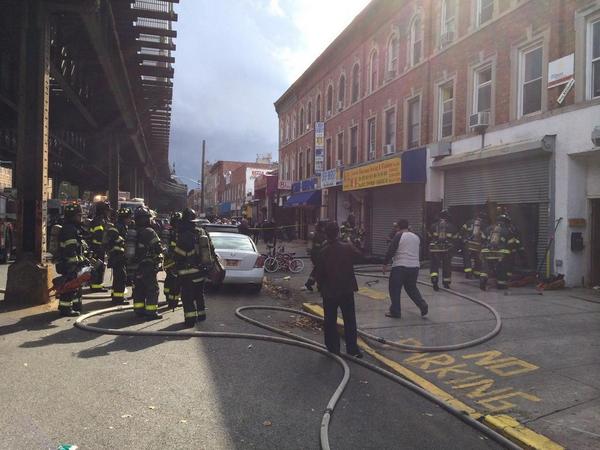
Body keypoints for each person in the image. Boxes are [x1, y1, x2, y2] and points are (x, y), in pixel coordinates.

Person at [314, 221, 370, 358]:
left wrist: (320, 286)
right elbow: (360, 257)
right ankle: (352, 349)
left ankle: (333, 348)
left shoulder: (323, 251)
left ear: (326, 234)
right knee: (349, 320)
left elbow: (319, 272)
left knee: (330, 320)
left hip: (329, 291)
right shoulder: (347, 247)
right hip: (346, 289)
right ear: (338, 232)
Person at [174, 208, 216, 327]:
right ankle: (201, 315)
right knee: (199, 295)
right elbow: (211, 249)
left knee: (187, 297)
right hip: (201, 271)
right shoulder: (202, 232)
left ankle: (190, 320)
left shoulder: (183, 236)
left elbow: (178, 255)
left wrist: (175, 265)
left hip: (187, 273)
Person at [382, 219, 428, 318]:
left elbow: (391, 250)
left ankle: (395, 311)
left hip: (400, 266)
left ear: (398, 227)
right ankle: (422, 305)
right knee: (411, 288)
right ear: (409, 226)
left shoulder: (398, 236)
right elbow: (423, 243)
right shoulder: (417, 236)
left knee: (394, 288)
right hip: (414, 266)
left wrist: (385, 264)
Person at [131, 206, 164, 319]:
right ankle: (151, 312)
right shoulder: (149, 231)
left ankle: (139, 310)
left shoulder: (132, 231)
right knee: (152, 289)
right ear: (145, 219)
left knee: (138, 288)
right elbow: (158, 248)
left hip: (135, 266)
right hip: (147, 265)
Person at [55, 203, 87, 316]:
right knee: (69, 286)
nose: (81, 218)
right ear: (73, 216)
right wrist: (75, 263)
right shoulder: (69, 229)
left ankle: (76, 305)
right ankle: (65, 309)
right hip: (69, 263)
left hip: (71, 262)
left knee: (76, 285)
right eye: (79, 215)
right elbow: (70, 249)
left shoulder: (72, 228)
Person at [480, 214, 517, 291]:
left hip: (487, 251)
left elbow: (482, 239)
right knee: (502, 268)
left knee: (487, 267)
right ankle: (501, 285)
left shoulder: (488, 228)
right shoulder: (508, 230)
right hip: (501, 253)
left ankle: (483, 279)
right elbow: (511, 243)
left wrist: (484, 248)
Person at [104, 207, 132, 304]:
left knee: (118, 277)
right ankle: (118, 299)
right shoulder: (118, 226)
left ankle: (115, 295)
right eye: (129, 218)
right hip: (117, 256)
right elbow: (113, 237)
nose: (130, 220)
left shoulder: (122, 225)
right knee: (121, 277)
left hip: (118, 256)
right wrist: (123, 242)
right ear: (125, 218)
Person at [428, 209, 458, 291]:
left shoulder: (433, 226)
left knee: (434, 265)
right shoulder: (452, 226)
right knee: (447, 265)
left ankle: (434, 279)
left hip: (435, 249)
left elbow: (429, 237)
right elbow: (455, 239)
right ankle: (446, 283)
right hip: (447, 249)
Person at [88, 200, 111, 292]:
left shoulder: (98, 219)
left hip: (96, 248)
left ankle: (97, 285)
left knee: (98, 267)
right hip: (98, 248)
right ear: (103, 211)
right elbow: (99, 235)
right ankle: (96, 286)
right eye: (107, 210)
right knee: (98, 267)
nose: (108, 213)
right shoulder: (99, 221)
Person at [460, 209, 488, 279]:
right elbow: (486, 237)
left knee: (467, 259)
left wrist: (464, 239)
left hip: (468, 244)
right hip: (478, 246)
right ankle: (477, 274)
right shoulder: (484, 225)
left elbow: (462, 231)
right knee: (478, 260)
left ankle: (468, 274)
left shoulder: (469, 222)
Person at [163, 211, 182, 310]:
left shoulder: (168, 232)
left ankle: (167, 296)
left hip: (168, 259)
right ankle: (173, 301)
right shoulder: (178, 233)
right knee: (175, 281)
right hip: (175, 259)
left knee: (169, 278)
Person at [304, 221, 327, 291]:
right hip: (319, 254)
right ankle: (316, 285)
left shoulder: (315, 234)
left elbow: (311, 244)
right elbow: (322, 244)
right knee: (320, 269)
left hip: (314, 254)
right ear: (322, 227)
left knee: (317, 269)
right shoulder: (322, 235)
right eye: (324, 226)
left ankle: (315, 284)